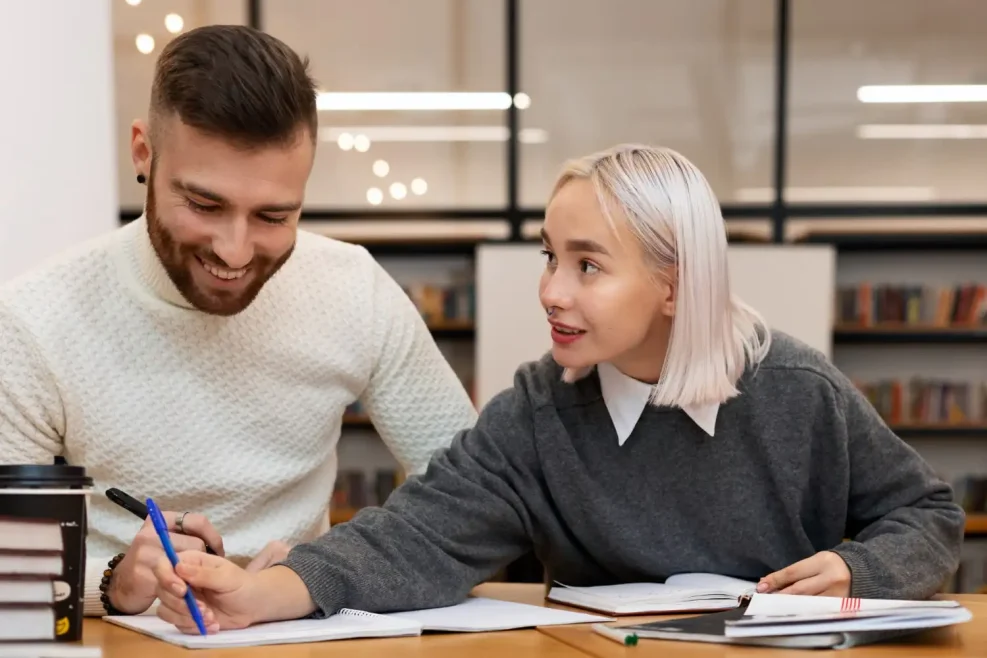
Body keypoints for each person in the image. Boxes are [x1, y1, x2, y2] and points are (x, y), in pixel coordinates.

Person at [148, 144, 965, 634]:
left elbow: (927, 515)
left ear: (674, 283)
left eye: (586, 265)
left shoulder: (795, 390)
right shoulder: (538, 412)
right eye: (548, 255)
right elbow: (412, 538)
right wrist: (256, 592)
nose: (550, 290)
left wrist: (858, 571)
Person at [0, 25, 477, 618]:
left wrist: (310, 580)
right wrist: (115, 583)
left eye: (274, 216)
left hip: (302, 630)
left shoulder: (352, 287)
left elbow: (474, 504)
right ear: (143, 152)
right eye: (204, 205)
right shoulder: (33, 321)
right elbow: (11, 573)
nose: (235, 251)